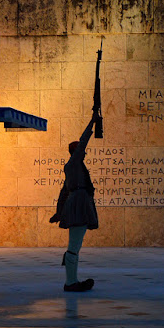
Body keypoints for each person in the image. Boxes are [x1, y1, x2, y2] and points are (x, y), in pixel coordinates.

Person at [49, 116, 99, 292]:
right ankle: (71, 283)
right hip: (78, 206)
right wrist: (92, 122)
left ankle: (72, 280)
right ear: (75, 152)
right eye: (80, 150)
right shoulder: (74, 163)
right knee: (74, 246)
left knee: (75, 245)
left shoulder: (73, 167)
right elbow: (84, 141)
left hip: (78, 205)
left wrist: (58, 212)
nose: (84, 152)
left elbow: (63, 191)